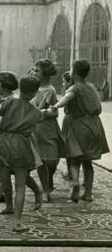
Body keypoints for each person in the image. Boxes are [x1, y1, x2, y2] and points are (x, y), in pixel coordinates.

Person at [0, 75, 55, 232]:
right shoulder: (34, 112)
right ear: (35, 93)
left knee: (2, 183)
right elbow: (47, 114)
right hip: (21, 147)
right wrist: (50, 110)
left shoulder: (9, 101)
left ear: (20, 88)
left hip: (3, 144)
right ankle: (17, 223)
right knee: (20, 186)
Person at [49, 59, 109, 203]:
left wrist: (55, 106)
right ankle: (88, 194)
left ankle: (75, 182)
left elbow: (67, 98)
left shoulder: (75, 88)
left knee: (75, 159)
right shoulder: (91, 87)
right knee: (88, 163)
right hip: (95, 125)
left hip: (79, 125)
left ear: (73, 72)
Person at [29, 59, 65, 202]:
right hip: (36, 130)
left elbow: (54, 112)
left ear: (45, 74)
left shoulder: (49, 90)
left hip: (48, 128)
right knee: (41, 160)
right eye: (33, 70)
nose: (33, 73)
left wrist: (42, 112)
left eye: (37, 71)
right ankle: (45, 190)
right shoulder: (33, 89)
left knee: (52, 160)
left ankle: (48, 180)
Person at [60, 71, 73, 181]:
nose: (63, 84)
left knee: (68, 147)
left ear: (69, 82)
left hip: (69, 121)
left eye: (64, 82)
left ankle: (70, 172)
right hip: (74, 121)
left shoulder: (70, 92)